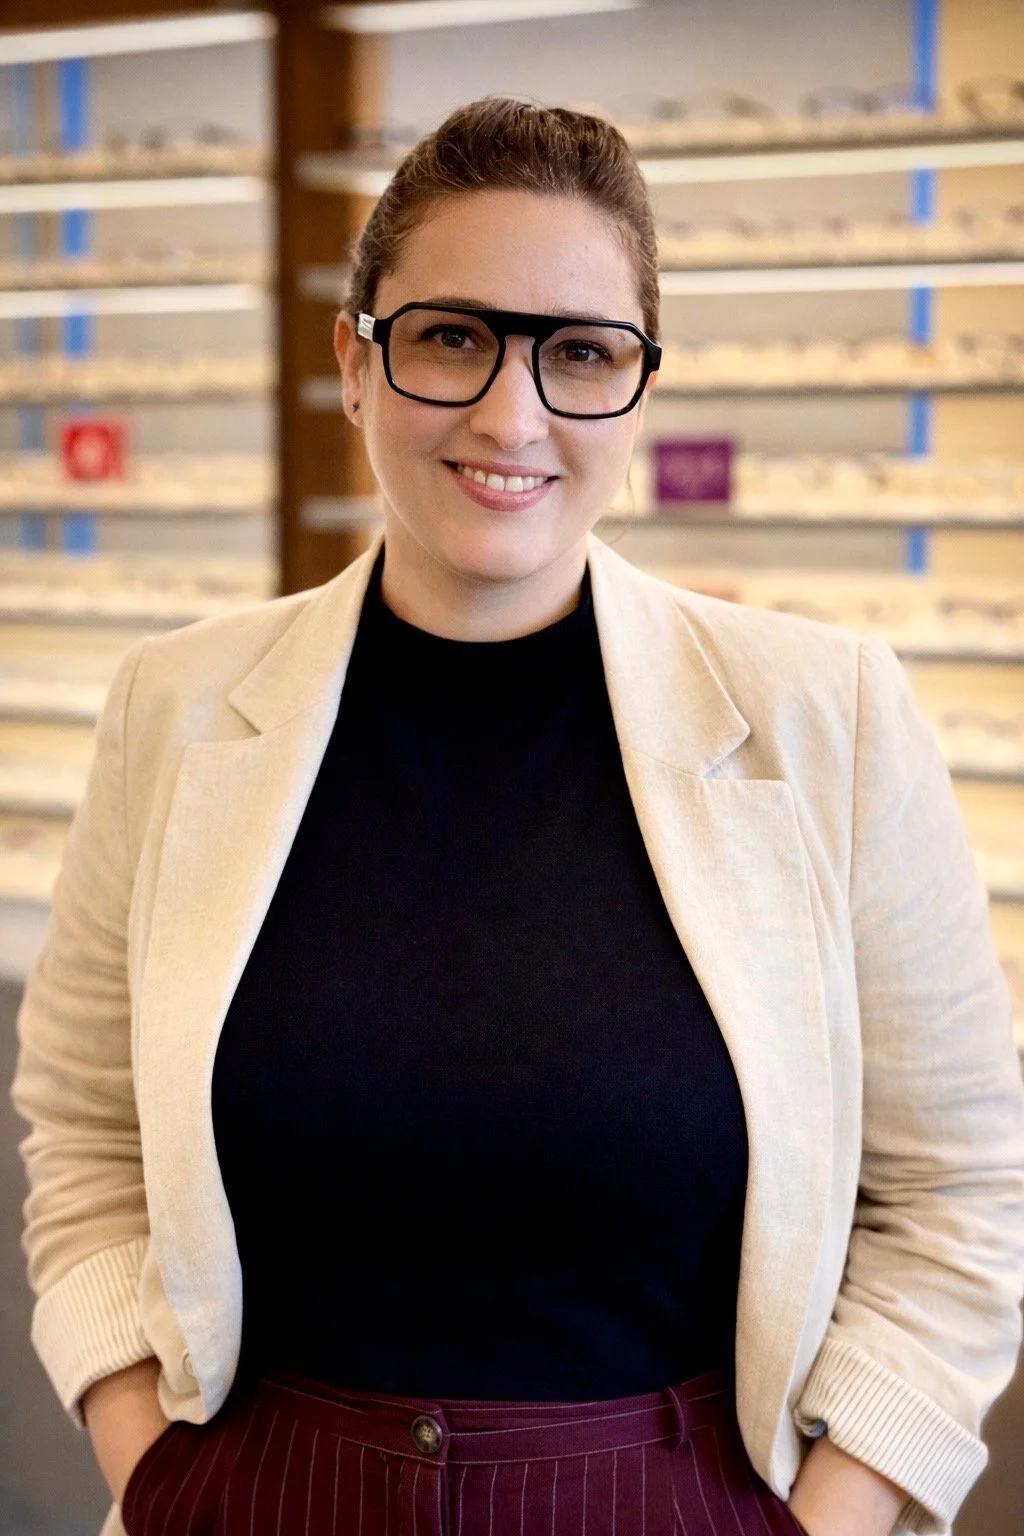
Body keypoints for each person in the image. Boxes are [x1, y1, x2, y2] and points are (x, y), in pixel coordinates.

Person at [9, 95, 1024, 1536]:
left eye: (581, 352)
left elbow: (959, 1197)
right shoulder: (173, 709)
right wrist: (156, 1470)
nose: (511, 413)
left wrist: (829, 1521)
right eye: (451, 337)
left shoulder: (828, 719)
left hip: (671, 1499)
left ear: (641, 392)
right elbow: (87, 1129)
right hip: (258, 1492)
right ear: (353, 363)